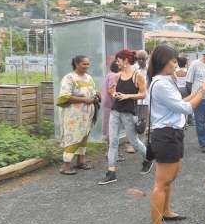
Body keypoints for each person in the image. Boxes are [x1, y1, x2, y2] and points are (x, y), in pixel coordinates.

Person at [147, 44, 205, 224]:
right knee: (161, 183)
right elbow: (186, 108)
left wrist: (199, 90)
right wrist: (204, 91)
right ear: (163, 61)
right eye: (174, 60)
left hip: (172, 133)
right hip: (166, 135)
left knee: (169, 179)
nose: (177, 64)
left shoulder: (165, 81)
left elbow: (180, 102)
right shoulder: (161, 84)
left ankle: (166, 211)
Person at [98, 49, 152, 185]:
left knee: (134, 141)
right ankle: (111, 172)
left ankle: (148, 158)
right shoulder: (117, 75)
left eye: (118, 60)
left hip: (129, 113)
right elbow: (113, 91)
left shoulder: (137, 75)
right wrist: (113, 93)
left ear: (126, 61)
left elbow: (143, 94)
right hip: (115, 111)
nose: (117, 63)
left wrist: (128, 96)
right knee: (113, 142)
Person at [56, 55, 100, 175]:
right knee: (73, 137)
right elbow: (64, 96)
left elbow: (92, 91)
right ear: (76, 64)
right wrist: (84, 100)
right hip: (73, 115)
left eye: (88, 64)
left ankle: (80, 162)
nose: (87, 66)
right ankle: (65, 166)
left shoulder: (89, 78)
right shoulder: (69, 78)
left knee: (84, 136)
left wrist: (97, 95)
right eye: (84, 64)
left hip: (87, 114)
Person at [127, 50, 149, 154]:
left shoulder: (150, 69)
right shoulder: (133, 69)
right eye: (138, 59)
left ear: (146, 59)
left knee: (143, 122)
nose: (140, 61)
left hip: (146, 100)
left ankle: (141, 143)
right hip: (134, 100)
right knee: (132, 121)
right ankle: (132, 144)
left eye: (142, 59)